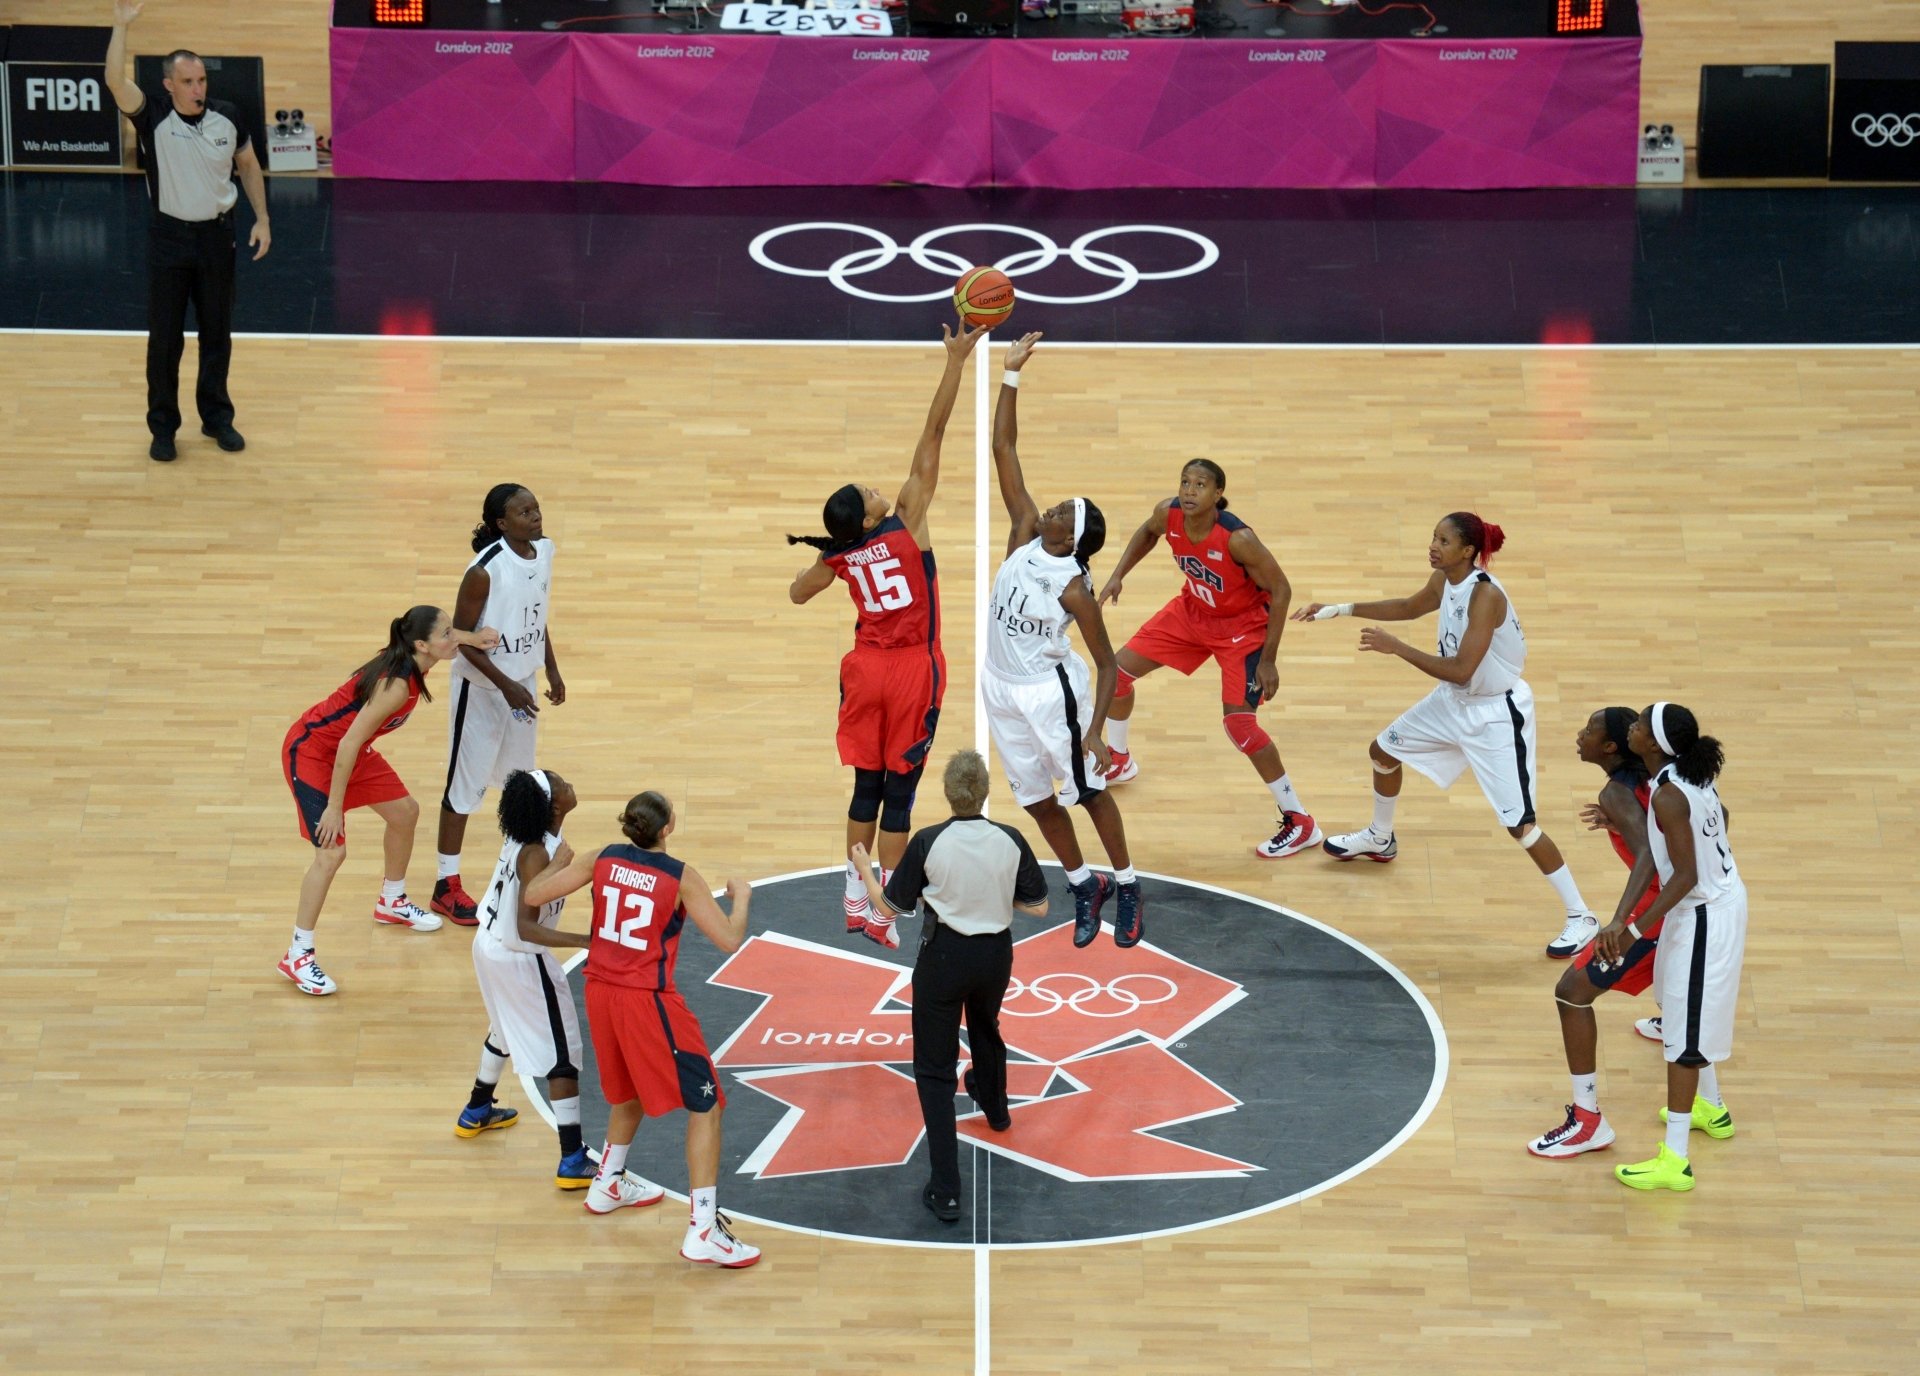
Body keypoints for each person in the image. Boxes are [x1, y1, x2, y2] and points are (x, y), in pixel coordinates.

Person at [1292, 513, 1598, 958]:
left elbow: (1461, 669)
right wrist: (1339, 609)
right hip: (1454, 702)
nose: (1433, 546)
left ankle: (1581, 916)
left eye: (1443, 540)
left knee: (1520, 824)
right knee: (1382, 752)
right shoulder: (1445, 578)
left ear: (1469, 551)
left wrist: (1396, 647)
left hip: (1496, 714)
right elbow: (1411, 607)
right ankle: (1381, 837)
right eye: (1433, 537)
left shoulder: (1486, 596)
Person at [788, 323, 986, 948]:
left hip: (863, 669)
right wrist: (955, 361)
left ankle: (854, 887)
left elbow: (797, 592)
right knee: (900, 790)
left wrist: (833, 556)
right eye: (870, 493)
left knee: (864, 786)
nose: (878, 487)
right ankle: (886, 905)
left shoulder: (843, 555)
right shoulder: (908, 522)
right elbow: (934, 434)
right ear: (874, 515)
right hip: (910, 671)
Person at [523, 791, 759, 1265]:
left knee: (627, 1089)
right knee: (707, 1104)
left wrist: (556, 865)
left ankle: (608, 1181)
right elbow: (730, 940)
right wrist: (743, 896)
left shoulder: (603, 858)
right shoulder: (680, 878)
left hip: (599, 991)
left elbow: (532, 895)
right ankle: (704, 1229)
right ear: (667, 827)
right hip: (646, 1000)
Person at [983, 332, 1143, 948]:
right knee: (1032, 798)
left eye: (1059, 511)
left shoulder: (1073, 585)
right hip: (1000, 686)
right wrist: (1012, 374)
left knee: (1088, 792)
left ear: (1070, 535)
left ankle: (1125, 883)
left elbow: (1106, 664)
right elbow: (1004, 447)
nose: (1046, 508)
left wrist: (1097, 730)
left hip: (1054, 696)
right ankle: (1084, 883)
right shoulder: (1024, 532)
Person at [851, 750, 1050, 1223]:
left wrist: (863, 868)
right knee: (986, 1027)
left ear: (947, 794)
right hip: (995, 955)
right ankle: (997, 1110)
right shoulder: (1011, 839)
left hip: (943, 959)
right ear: (983, 793)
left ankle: (947, 1190)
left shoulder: (929, 842)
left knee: (935, 1070)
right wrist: (995, 900)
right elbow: (1039, 906)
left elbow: (890, 910)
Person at [1095, 459, 1318, 858]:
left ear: (1218, 494)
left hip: (1242, 629)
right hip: (1192, 613)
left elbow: (1282, 590)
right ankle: (1120, 758)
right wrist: (1118, 574)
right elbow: (1148, 532)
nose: (1189, 490)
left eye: (1200, 485)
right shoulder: (1169, 514)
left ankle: (1300, 820)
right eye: (1185, 482)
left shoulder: (1238, 539)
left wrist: (1268, 660)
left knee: (1240, 726)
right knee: (1115, 675)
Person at [278, 607, 498, 995]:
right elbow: (345, 742)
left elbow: (353, 744)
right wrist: (334, 807)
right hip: (315, 753)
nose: (454, 638)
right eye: (447, 634)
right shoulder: (395, 685)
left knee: (405, 813)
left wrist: (472, 637)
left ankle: (391, 901)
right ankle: (298, 954)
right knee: (330, 854)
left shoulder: (418, 655)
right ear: (420, 645)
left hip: (352, 752)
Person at [1526, 707, 1700, 1158]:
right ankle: (1673, 1019)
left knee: (1571, 991)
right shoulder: (1656, 774)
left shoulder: (1616, 792)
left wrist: (1621, 921)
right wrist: (1622, 822)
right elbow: (1660, 831)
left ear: (1609, 748)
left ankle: (1587, 1122)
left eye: (1589, 731)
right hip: (1692, 909)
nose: (1579, 735)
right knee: (1675, 987)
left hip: (1660, 912)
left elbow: (1646, 854)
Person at [104, 1, 270, 462]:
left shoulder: (228, 116)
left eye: (202, 80)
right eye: (188, 81)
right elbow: (115, 82)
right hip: (169, 241)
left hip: (218, 239)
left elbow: (249, 165)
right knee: (165, 340)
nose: (198, 88)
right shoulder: (153, 116)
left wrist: (263, 218)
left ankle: (217, 419)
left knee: (217, 334)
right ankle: (163, 428)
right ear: (168, 85)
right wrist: (120, 27)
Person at [1600, 703, 1747, 1192]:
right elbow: (1719, 816)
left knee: (1683, 1038)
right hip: (1711, 903)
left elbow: (1684, 876)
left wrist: (1633, 929)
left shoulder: (1667, 794)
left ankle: (1675, 1161)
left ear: (1655, 744)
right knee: (1674, 1002)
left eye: (1639, 725)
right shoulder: (1685, 774)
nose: (1633, 729)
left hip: (1705, 913)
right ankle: (1712, 1107)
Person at [457, 769, 600, 1191]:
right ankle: (572, 1158)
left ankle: (477, 1108)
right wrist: (585, 940)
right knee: (563, 1053)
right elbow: (526, 928)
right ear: (553, 805)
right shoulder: (539, 852)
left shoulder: (527, 835)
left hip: (488, 944)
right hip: (518, 954)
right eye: (561, 782)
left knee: (503, 1027)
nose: (569, 782)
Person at [433, 485, 565, 925]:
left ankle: (514, 869)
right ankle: (445, 885)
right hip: (483, 690)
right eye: (523, 511)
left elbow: (536, 613)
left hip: (520, 684)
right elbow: (458, 640)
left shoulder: (543, 552)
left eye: (536, 507)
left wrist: (551, 668)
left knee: (518, 782)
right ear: (501, 524)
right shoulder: (483, 572)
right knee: (463, 788)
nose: (535, 515)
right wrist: (506, 685)